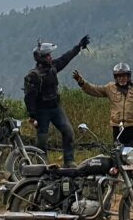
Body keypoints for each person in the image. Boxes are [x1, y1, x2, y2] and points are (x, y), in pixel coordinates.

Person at [72, 62, 133, 179]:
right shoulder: (110, 88)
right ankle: (115, 181)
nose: (122, 79)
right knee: (118, 156)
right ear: (115, 78)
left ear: (129, 76)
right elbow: (94, 90)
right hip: (117, 128)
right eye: (119, 76)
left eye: (124, 76)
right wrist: (81, 81)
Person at [24, 35, 90, 168]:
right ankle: (42, 164)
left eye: (50, 55)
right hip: (42, 111)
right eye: (48, 55)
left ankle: (69, 161)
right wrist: (32, 116)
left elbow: (66, 58)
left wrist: (78, 47)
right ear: (42, 58)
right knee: (42, 140)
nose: (50, 57)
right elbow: (29, 98)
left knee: (68, 131)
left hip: (56, 108)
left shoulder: (53, 67)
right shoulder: (34, 75)